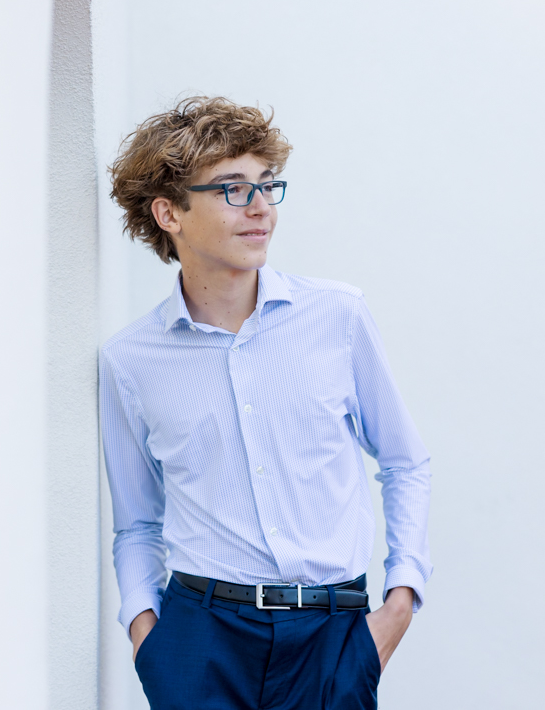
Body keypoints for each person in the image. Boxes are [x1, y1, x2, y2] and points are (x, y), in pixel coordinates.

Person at [100, 96, 432, 710]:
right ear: (169, 212)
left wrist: (399, 602)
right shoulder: (130, 360)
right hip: (200, 642)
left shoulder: (338, 316)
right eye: (233, 189)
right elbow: (137, 522)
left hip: (332, 639)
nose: (261, 208)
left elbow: (404, 461)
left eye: (267, 185)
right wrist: (150, 639)